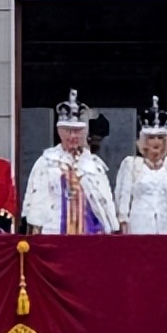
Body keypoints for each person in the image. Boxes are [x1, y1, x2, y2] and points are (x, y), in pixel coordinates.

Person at [21, 90, 119, 234]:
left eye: (77, 131)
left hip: (89, 234)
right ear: (59, 131)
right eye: (68, 131)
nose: (73, 136)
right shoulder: (46, 162)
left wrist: (111, 228)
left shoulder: (94, 164)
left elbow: (105, 202)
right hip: (54, 231)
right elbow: (36, 201)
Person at [114, 97, 167, 235]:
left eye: (160, 138)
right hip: (139, 230)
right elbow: (123, 202)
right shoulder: (132, 164)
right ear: (144, 141)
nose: (156, 142)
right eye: (151, 138)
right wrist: (124, 230)